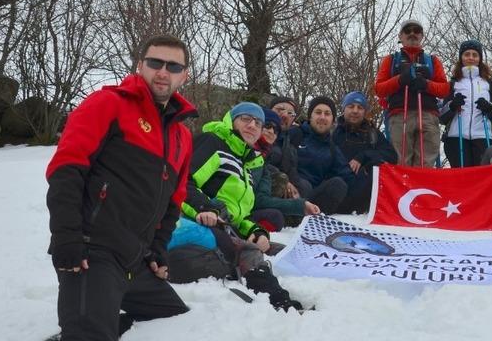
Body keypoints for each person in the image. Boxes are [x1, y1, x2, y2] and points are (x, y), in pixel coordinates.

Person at [46, 34, 195, 340]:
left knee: (175, 318)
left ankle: (100, 314)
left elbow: (174, 200)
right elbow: (66, 171)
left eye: (173, 66)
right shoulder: (108, 103)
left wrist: (158, 250)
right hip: (92, 251)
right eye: (155, 63)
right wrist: (67, 238)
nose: (163, 72)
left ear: (185, 74)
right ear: (141, 65)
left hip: (134, 260)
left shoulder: (182, 136)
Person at [177, 102, 302, 311]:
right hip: (193, 223)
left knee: (283, 251)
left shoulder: (246, 164)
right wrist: (205, 208)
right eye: (246, 119)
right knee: (249, 251)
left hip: (224, 225)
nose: (252, 125)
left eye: (258, 122)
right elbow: (181, 183)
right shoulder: (213, 143)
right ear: (231, 121)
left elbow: (238, 215)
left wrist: (256, 231)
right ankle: (280, 304)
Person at [374, 19, 450, 167]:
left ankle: (422, 189)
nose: (412, 34)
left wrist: (426, 84)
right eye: (408, 31)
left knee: (425, 163)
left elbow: (444, 90)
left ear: (422, 36)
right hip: (399, 114)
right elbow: (379, 89)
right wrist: (400, 80)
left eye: (417, 31)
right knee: (400, 162)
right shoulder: (391, 60)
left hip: (428, 115)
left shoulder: (432, 61)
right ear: (400, 36)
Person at [252, 107, 320, 230]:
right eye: (267, 126)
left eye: (276, 130)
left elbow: (261, 198)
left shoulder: (263, 161)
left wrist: (301, 204)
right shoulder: (241, 150)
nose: (271, 131)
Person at [440, 40, 492, 167]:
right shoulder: (452, 83)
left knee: (482, 175)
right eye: (467, 54)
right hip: (456, 137)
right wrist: (452, 106)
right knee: (461, 176)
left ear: (480, 58)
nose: (471, 58)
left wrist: (489, 107)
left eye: (475, 55)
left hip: (484, 136)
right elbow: (441, 115)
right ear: (461, 58)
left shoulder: (490, 83)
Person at [333, 91, 398, 213]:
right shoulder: (332, 132)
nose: (355, 111)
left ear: (364, 112)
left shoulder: (372, 133)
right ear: (344, 109)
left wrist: (364, 156)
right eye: (351, 106)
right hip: (337, 189)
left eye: (360, 107)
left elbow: (392, 156)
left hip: (363, 193)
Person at [291, 96, 353, 214]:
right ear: (310, 116)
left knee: (338, 184)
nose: (322, 117)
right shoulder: (296, 133)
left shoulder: (332, 148)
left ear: (333, 119)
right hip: (289, 191)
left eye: (327, 114)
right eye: (318, 112)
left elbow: (348, 176)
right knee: (303, 185)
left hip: (312, 198)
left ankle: (311, 219)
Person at [267, 95, 302, 199]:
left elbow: (291, 170)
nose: (285, 115)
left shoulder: (289, 141)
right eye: (280, 109)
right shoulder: (257, 131)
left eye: (290, 113)